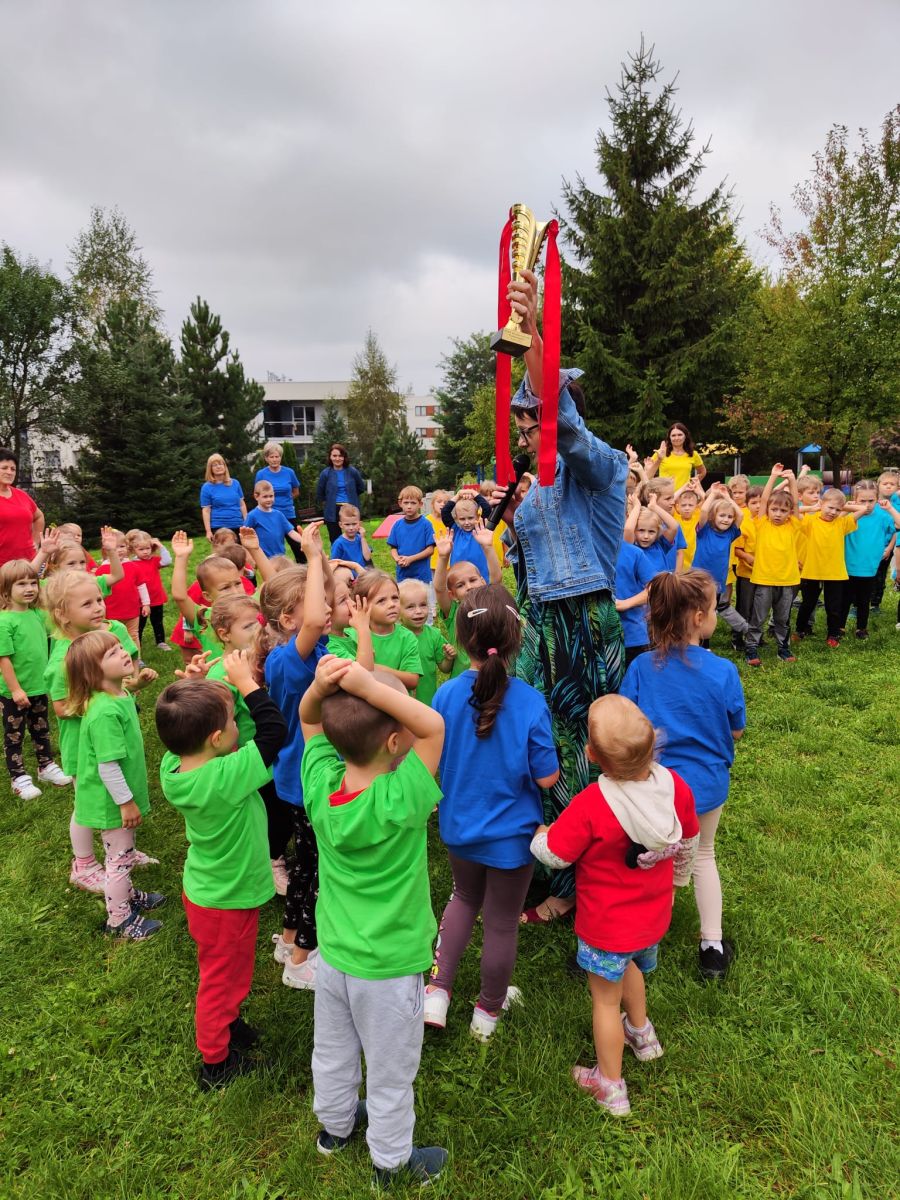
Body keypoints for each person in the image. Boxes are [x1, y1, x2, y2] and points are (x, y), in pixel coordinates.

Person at [489, 270, 629, 926]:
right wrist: (512, 524)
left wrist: (535, 335)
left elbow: (563, 429)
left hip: (584, 625)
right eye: (521, 426)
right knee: (538, 742)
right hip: (541, 623)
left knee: (584, 750)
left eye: (532, 423)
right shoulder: (535, 489)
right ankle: (553, 861)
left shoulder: (601, 467)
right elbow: (530, 571)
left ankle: (586, 879)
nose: (526, 435)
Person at [299, 656, 448, 1188]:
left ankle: (335, 1129)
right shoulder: (401, 796)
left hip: (335, 958)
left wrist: (323, 687)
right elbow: (435, 727)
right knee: (390, 1074)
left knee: (333, 1051)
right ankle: (391, 1163)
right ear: (393, 741)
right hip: (389, 966)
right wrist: (368, 684)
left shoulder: (319, 784)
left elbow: (308, 718)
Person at [530, 695, 699, 1116]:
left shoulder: (592, 802)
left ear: (590, 754)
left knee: (604, 1000)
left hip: (607, 926)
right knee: (631, 967)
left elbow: (556, 854)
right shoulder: (675, 787)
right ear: (652, 742)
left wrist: (539, 835)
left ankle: (609, 1085)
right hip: (652, 917)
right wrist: (678, 881)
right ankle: (642, 1034)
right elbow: (689, 840)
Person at [426, 585, 558, 1039]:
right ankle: (487, 1012)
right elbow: (547, 778)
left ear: (463, 639)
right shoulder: (531, 702)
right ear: (517, 638)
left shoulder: (445, 696)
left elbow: (434, 757)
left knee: (463, 898)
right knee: (501, 922)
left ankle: (437, 991)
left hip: (459, 827)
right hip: (512, 840)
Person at [157, 653, 288, 1090]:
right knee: (219, 980)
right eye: (233, 721)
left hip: (210, 891)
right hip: (227, 898)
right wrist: (247, 684)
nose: (239, 725)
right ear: (216, 739)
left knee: (229, 971)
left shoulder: (174, 767)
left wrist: (197, 687)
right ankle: (216, 1062)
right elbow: (274, 731)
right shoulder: (227, 776)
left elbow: (187, 729)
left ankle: (229, 1023)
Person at [620, 570, 746, 981]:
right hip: (707, 785)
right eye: (714, 609)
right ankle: (712, 946)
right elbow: (736, 730)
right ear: (698, 617)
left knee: (653, 862)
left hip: (654, 788)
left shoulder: (641, 667)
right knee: (703, 854)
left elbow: (626, 723)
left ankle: (641, 944)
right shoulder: (723, 671)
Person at [44, 571, 156, 893]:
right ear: (62, 614)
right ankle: (84, 865)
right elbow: (61, 707)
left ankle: (123, 851)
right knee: (86, 804)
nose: (98, 607)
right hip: (83, 747)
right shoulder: (64, 657)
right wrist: (98, 705)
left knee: (113, 798)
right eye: (87, 604)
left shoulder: (100, 638)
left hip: (107, 739)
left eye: (99, 600)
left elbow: (111, 684)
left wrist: (132, 685)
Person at [259, 526, 329, 989]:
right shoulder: (290, 660)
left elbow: (320, 615)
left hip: (296, 777)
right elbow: (315, 620)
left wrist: (319, 564)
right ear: (289, 619)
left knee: (303, 864)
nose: (325, 605)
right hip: (307, 780)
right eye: (314, 599)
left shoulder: (303, 652)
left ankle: (288, 940)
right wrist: (313, 557)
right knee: (318, 870)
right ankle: (303, 960)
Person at [66, 630, 163, 940]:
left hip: (117, 797)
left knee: (123, 852)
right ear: (93, 674)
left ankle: (127, 896)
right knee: (119, 860)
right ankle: (119, 919)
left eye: (120, 647)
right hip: (112, 801)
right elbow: (107, 767)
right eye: (112, 653)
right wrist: (126, 802)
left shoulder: (119, 695)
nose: (123, 653)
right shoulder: (105, 712)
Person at [0, 559, 70, 800]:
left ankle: (45, 766)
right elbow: (3, 659)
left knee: (41, 729)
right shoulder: (4, 621)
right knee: (14, 735)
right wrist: (15, 690)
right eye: (21, 584)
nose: (29, 588)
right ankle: (18, 777)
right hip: (14, 692)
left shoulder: (38, 615)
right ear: (5, 590)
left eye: (33, 583)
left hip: (39, 686)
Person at [744, 465, 803, 667]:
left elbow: (796, 503)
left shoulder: (793, 525)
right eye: (774, 509)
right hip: (764, 580)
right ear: (768, 510)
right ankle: (751, 647)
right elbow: (764, 499)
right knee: (758, 617)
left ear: (789, 512)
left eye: (783, 510)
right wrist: (773, 476)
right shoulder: (762, 523)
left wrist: (793, 481)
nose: (778, 514)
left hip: (787, 581)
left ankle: (783, 648)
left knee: (782, 618)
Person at [794, 488, 865, 647]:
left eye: (837, 510)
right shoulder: (810, 521)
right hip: (812, 571)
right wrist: (814, 507)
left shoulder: (842, 523)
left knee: (833, 607)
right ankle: (800, 630)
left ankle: (833, 635)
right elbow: (794, 510)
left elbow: (863, 509)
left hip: (835, 573)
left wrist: (842, 506)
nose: (833, 512)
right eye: (830, 507)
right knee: (808, 604)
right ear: (821, 503)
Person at [432, 529, 501, 679]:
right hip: (462, 679)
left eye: (473, 580)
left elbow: (496, 579)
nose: (469, 587)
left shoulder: (490, 603)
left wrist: (488, 548)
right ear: (452, 595)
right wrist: (443, 557)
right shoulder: (453, 611)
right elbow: (439, 589)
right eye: (460, 585)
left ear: (483, 581)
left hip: (490, 675)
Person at [838, 480, 900, 639]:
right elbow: (832, 523)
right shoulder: (851, 514)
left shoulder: (882, 515)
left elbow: (898, 525)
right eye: (862, 501)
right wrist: (845, 509)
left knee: (864, 599)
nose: (867, 505)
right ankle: (839, 627)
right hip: (848, 564)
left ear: (877, 499)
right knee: (845, 598)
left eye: (871, 501)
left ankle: (861, 628)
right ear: (855, 499)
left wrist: (890, 509)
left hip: (870, 566)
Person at [691, 484, 748, 646]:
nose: (726, 519)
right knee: (695, 610)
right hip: (698, 580)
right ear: (712, 516)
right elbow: (703, 511)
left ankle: (705, 643)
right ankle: (693, 640)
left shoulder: (730, 533)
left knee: (709, 612)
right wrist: (713, 494)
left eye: (729, 517)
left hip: (716, 582)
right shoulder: (704, 531)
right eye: (722, 515)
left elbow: (740, 514)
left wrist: (728, 498)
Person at [350, 570, 421, 693]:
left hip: (397, 702)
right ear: (361, 605)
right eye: (381, 600)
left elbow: (412, 680)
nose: (392, 604)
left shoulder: (407, 637)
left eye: (395, 598)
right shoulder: (351, 636)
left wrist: (376, 669)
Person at [398, 579, 454, 705]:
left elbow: (444, 669)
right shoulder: (395, 636)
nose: (418, 611)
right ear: (398, 611)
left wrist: (448, 658)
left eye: (423, 605)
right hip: (400, 702)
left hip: (427, 701)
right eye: (410, 607)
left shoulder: (434, 635)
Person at [614, 509, 657, 666]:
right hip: (596, 638)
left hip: (632, 636)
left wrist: (626, 603)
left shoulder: (634, 553)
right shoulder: (586, 554)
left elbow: (656, 587)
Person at [125, 529, 172, 651]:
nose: (145, 552)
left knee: (158, 622)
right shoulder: (131, 564)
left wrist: (161, 546)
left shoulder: (154, 561)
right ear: (133, 550)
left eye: (148, 548)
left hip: (156, 598)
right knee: (139, 625)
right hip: (140, 601)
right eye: (141, 549)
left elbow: (167, 561)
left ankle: (161, 642)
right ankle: (137, 644)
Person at [255, 441, 302, 560]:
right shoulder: (261, 474)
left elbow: (296, 491)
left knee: (297, 545)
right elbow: (258, 494)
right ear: (266, 458)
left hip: (288, 513)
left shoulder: (289, 472)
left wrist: (287, 501)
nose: (275, 459)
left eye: (277, 456)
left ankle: (303, 567)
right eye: (272, 457)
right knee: (273, 545)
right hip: (269, 515)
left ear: (281, 457)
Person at [0, 447, 44, 567]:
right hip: (3, 566)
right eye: (4, 468)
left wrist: (36, 541)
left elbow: (39, 517)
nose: (9, 472)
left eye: (13, 469)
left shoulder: (21, 495)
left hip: (28, 564)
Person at [316, 443, 365, 544]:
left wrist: (351, 497)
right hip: (332, 510)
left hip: (350, 508)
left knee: (356, 538)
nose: (337, 458)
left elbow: (361, 488)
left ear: (344, 457)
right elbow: (320, 493)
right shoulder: (325, 473)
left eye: (340, 456)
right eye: (334, 456)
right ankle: (338, 554)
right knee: (335, 539)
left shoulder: (352, 471)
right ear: (330, 457)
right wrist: (329, 502)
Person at [245, 480, 305, 559]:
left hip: (280, 557)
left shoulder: (279, 515)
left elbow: (291, 532)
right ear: (256, 497)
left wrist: (304, 540)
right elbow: (245, 537)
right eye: (265, 496)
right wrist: (250, 557)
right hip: (263, 559)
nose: (269, 499)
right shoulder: (252, 516)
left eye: (271, 496)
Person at [386, 487, 435, 585]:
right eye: (406, 502)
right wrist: (397, 559)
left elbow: (430, 550)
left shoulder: (426, 524)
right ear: (400, 503)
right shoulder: (397, 525)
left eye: (413, 503)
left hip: (421, 575)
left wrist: (410, 559)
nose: (409, 506)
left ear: (420, 504)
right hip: (403, 575)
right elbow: (393, 548)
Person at [643, 423, 706, 490]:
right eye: (673, 435)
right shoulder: (661, 453)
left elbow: (702, 472)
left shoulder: (693, 454)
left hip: (684, 494)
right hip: (664, 494)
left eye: (680, 435)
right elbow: (647, 477)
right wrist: (659, 459)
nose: (676, 438)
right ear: (669, 438)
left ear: (685, 436)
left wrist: (692, 484)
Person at [871, 470, 900, 614]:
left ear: (897, 487)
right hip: (869, 546)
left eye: (892, 484)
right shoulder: (871, 501)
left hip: (886, 547)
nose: (888, 486)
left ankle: (875, 604)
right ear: (878, 485)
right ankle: (856, 605)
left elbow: (896, 530)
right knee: (863, 575)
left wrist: (889, 548)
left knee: (880, 576)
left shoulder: (896, 504)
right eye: (885, 483)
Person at [200, 454, 247, 542]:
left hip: (238, 525)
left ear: (225, 466)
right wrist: (208, 531)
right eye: (215, 465)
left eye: (220, 464)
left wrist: (246, 523)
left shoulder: (235, 483)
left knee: (240, 550)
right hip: (219, 527)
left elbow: (242, 505)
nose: (218, 467)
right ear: (210, 469)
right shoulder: (206, 487)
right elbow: (206, 510)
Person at [328, 504, 373, 571]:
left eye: (354, 524)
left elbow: (367, 557)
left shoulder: (360, 538)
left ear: (360, 524)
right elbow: (334, 564)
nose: (351, 528)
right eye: (347, 524)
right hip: (348, 576)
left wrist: (363, 538)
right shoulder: (339, 543)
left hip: (363, 573)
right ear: (341, 525)